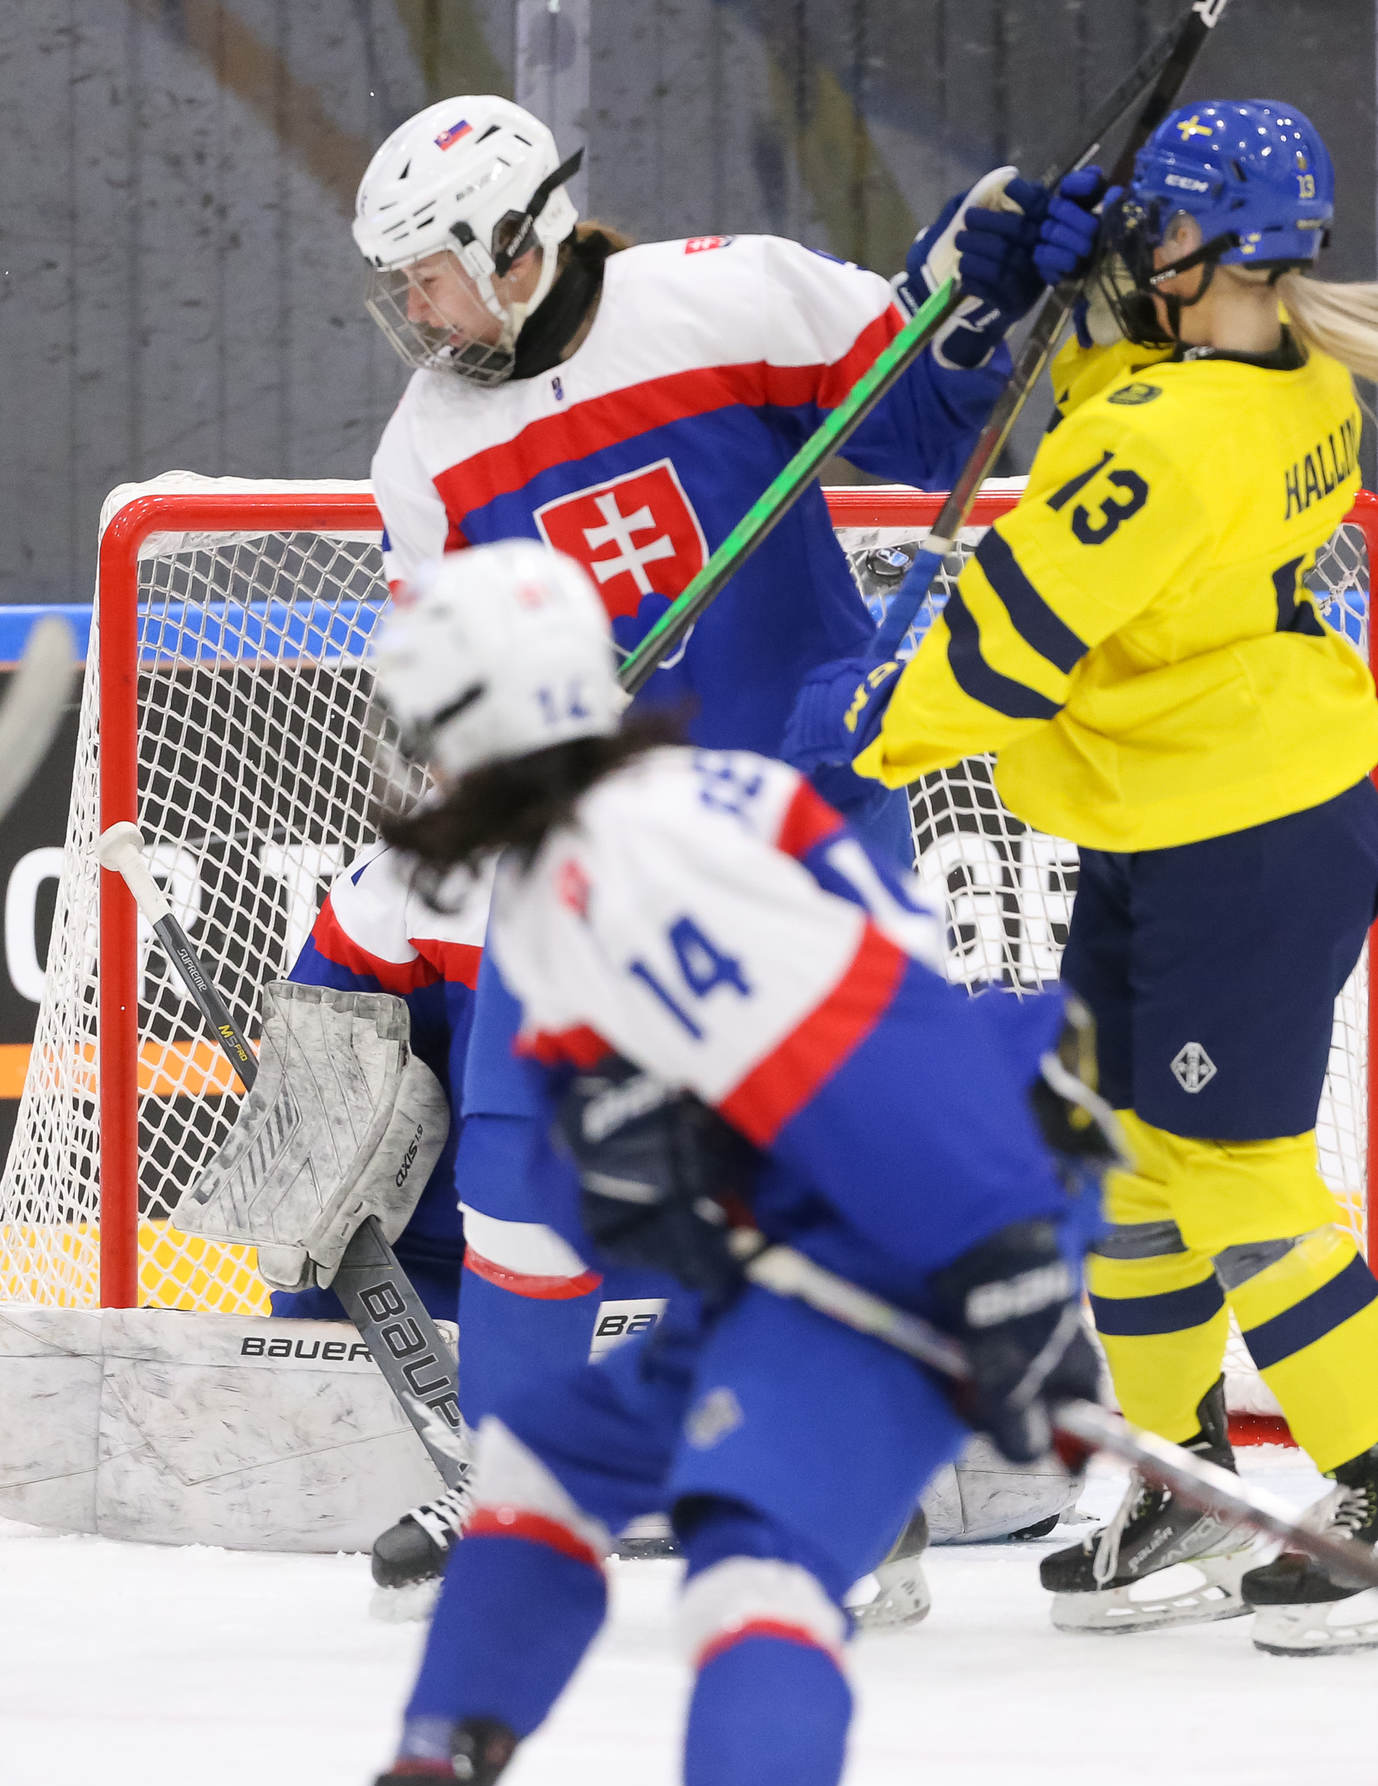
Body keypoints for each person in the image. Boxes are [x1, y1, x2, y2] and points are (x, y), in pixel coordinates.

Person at [211, 541, 1107, 1786]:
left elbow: (885, 1053)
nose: (421, 773)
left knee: (746, 1554)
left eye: (433, 735)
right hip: (870, 1213)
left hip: (935, 1219)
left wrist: (999, 1274)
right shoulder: (595, 845)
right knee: (543, 1464)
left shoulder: (641, 858)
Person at [281, 90, 1097, 1596]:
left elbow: (921, 417)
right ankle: (526, 1492)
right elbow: (445, 696)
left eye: (427, 270)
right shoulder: (425, 459)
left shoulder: (730, 297)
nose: (410, 306)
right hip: (593, 853)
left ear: (508, 243)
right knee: (522, 1178)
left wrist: (978, 289)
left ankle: (848, 1504)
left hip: (799, 815)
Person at [784, 100, 1378, 1654]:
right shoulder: (1274, 374)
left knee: (1238, 1176)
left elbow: (1014, 636)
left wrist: (869, 734)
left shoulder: (1168, 438)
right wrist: (1090, 311)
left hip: (1240, 839)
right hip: (1180, 809)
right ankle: (1179, 1471)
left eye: (1149, 234)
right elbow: (1134, 438)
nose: (1131, 253)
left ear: (1220, 249)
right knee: (1125, 1152)